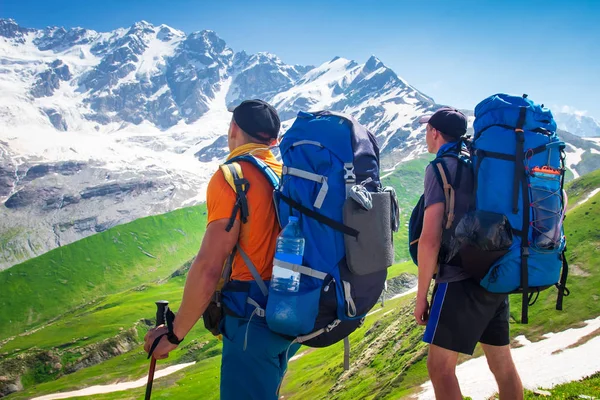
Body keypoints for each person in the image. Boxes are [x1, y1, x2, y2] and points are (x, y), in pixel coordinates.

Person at [144, 99, 300, 399]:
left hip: (250, 320)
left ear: (234, 129)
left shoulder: (232, 178)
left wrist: (175, 334)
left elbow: (209, 267)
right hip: (290, 309)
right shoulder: (285, 175)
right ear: (274, 140)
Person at [413, 107, 523, 400]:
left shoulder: (440, 168)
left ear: (435, 133)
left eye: (427, 130)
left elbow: (430, 239)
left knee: (440, 368)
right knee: (501, 364)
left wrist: (421, 295)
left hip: (460, 279)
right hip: (494, 274)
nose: (427, 135)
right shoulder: (478, 163)